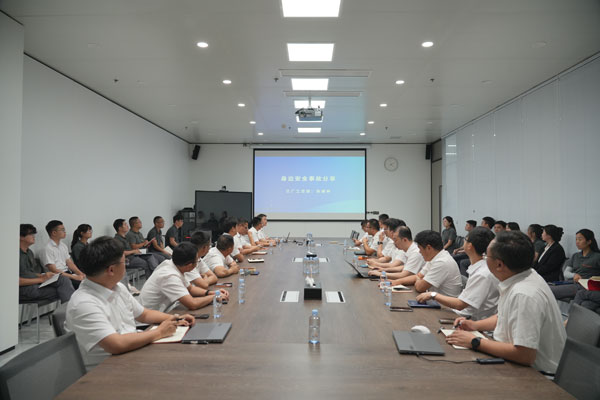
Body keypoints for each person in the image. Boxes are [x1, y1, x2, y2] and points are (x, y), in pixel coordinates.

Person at [65, 236, 195, 370]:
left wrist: (175, 318)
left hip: (132, 352)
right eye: (124, 262)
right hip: (108, 369)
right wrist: (159, 332)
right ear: (111, 270)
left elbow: (144, 314)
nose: (126, 266)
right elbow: (116, 344)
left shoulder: (117, 287)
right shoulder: (84, 304)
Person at [446, 231, 566, 374]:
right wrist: (475, 325)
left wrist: (475, 341)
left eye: (486, 256)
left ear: (499, 264)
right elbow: (504, 316)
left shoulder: (524, 294)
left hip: (535, 374)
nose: (484, 259)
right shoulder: (523, 275)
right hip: (511, 358)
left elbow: (525, 354)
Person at [416, 227, 499, 320]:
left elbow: (460, 304)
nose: (463, 241)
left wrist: (433, 295)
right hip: (463, 314)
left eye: (465, 239)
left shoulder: (482, 274)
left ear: (469, 246)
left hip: (470, 319)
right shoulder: (480, 267)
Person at [140, 242, 227, 311]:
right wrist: (214, 297)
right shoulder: (169, 276)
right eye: (196, 261)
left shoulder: (174, 265)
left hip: (164, 311)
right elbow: (192, 304)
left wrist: (212, 293)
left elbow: (190, 289)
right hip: (148, 322)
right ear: (189, 265)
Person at [19, 224, 74, 303]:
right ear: (21, 237)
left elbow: (30, 273)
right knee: (63, 289)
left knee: (62, 279)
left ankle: (69, 309)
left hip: (35, 283)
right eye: (30, 234)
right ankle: (70, 309)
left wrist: (42, 275)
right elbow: (16, 280)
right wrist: (41, 279)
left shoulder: (29, 252)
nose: (34, 236)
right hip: (24, 288)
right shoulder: (14, 255)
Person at [550, 229, 600, 300]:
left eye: (580, 239)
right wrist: (574, 275)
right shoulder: (575, 256)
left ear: (589, 241)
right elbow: (566, 273)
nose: (577, 242)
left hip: (584, 285)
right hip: (572, 282)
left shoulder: (597, 257)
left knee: (549, 291)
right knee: (546, 286)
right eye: (576, 239)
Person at [412, 230, 462, 296]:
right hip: (434, 299)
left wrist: (418, 279)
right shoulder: (435, 257)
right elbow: (419, 276)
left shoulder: (442, 262)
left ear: (428, 248)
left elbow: (420, 287)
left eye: (420, 248)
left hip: (443, 302)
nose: (419, 252)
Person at [41, 220, 85, 287]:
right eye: (62, 230)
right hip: (56, 277)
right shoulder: (47, 248)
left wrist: (80, 274)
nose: (65, 232)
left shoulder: (63, 246)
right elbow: (54, 270)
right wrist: (74, 277)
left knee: (88, 281)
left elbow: (69, 263)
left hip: (66, 273)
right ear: (54, 233)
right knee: (82, 285)